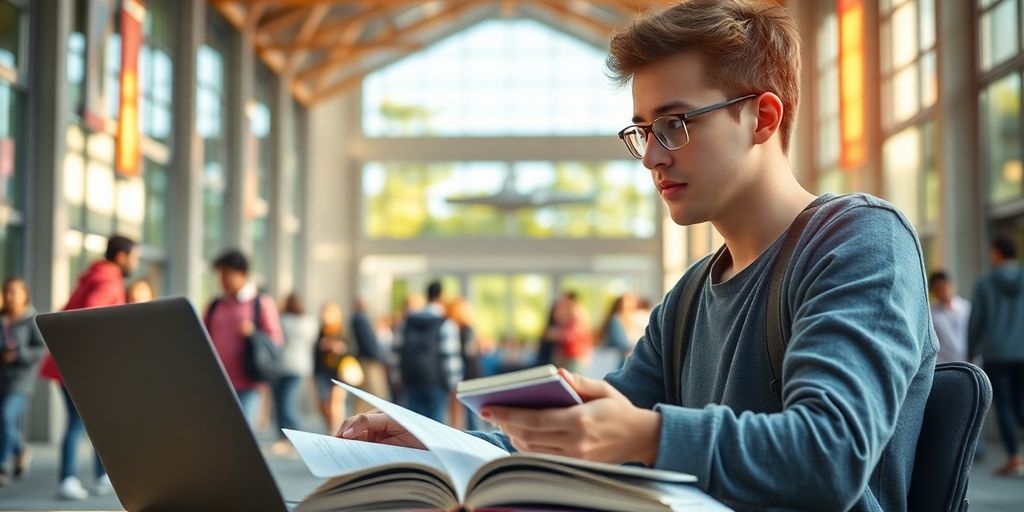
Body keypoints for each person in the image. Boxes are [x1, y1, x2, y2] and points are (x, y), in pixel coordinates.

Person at [336, 2, 936, 510]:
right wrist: (435, 444)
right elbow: (594, 430)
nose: (652, 158)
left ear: (763, 117)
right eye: (642, 131)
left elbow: (831, 455)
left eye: (674, 124)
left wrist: (648, 435)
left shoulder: (859, 242)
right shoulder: (693, 292)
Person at [39, 234, 139, 499]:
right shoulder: (108, 279)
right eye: (134, 257)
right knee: (81, 423)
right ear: (121, 256)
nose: (135, 263)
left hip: (71, 362)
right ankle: (70, 479)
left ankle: (99, 476)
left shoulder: (94, 275)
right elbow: (90, 314)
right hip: (82, 367)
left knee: (94, 423)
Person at [203, 249, 283, 426]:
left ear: (243, 274)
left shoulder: (261, 303)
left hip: (248, 382)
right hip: (218, 382)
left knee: (244, 431)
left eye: (227, 273)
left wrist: (253, 333)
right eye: (220, 274)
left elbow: (275, 341)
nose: (222, 279)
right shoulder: (214, 304)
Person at [968, 233, 1024, 476]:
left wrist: (971, 350)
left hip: (996, 353)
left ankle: (1014, 457)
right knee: (1021, 406)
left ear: (999, 253)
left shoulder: (985, 283)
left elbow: (976, 320)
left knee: (1005, 407)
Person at [393, 281, 462, 422]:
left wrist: (397, 377)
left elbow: (396, 352)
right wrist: (455, 383)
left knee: (412, 425)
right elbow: (450, 357)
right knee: (435, 425)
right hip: (436, 381)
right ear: (441, 297)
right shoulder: (446, 324)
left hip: (411, 379)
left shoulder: (407, 322)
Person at [0, 278, 46, 487]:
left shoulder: (31, 319)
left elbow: (40, 349)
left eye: (14, 292)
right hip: (2, 378)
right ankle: (20, 449)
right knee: (4, 421)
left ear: (24, 295)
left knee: (6, 415)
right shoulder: (2, 318)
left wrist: (18, 355)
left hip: (20, 381)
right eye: (6, 292)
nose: (10, 297)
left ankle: (2, 466)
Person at [271, 292, 319, 454]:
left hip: (283, 365)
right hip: (302, 366)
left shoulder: (283, 320)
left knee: (282, 403)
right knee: (288, 401)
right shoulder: (310, 322)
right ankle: (288, 437)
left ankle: (291, 436)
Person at [313, 302, 351, 433]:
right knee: (323, 404)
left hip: (339, 372)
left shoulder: (342, 329)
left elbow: (352, 348)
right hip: (323, 372)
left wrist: (339, 347)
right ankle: (331, 428)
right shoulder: (321, 331)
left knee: (336, 402)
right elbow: (315, 352)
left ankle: (336, 431)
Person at [446, 298, 482, 430]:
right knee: (472, 411)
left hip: (463, 374)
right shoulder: (465, 329)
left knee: (462, 412)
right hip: (468, 374)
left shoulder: (454, 328)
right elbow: (469, 352)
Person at [350, 297, 388, 413]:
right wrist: (378, 359)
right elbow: (368, 343)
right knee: (371, 395)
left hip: (367, 360)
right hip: (368, 362)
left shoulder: (360, 318)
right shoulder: (360, 319)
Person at [929, 271, 971, 364]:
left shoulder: (966, 308)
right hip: (944, 364)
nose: (942, 292)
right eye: (937, 289)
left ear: (951, 285)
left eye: (943, 287)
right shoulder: (931, 313)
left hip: (969, 362)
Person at [597, 293, 639, 369]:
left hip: (618, 360)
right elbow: (622, 343)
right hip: (615, 361)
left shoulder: (624, 320)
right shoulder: (616, 320)